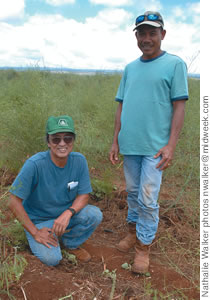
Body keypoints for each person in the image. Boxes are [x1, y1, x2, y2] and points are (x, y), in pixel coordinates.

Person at [109, 11, 188, 274]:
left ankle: (143, 247)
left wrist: (171, 145)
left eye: (152, 33)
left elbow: (179, 107)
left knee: (148, 198)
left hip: (155, 148)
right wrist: (115, 141)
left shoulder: (174, 65)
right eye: (141, 33)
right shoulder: (130, 68)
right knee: (132, 193)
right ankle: (133, 232)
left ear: (162, 35)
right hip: (129, 145)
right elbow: (121, 106)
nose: (146, 38)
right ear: (136, 37)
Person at [9, 115, 103, 266]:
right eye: (56, 139)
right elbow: (13, 202)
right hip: (38, 222)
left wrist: (68, 212)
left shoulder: (79, 161)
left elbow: (84, 195)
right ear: (48, 142)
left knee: (94, 214)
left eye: (67, 139)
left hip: (63, 218)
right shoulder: (34, 164)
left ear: (73, 141)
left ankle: (70, 243)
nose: (62, 144)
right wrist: (35, 232)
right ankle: (40, 238)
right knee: (52, 259)